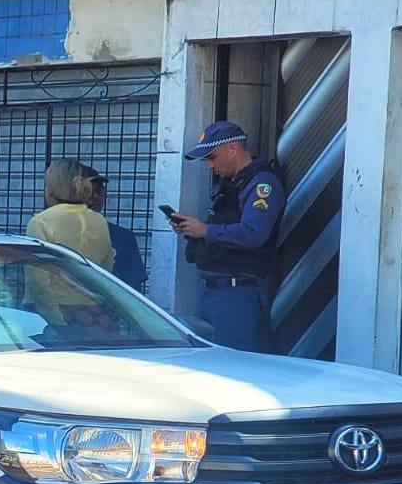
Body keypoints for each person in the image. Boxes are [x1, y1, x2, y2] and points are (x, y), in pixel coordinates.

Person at [167, 120, 286, 352]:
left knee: (232, 364)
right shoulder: (232, 185)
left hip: (237, 294)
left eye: (212, 157)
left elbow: (253, 233)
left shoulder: (263, 184)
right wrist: (193, 230)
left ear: (233, 149)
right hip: (216, 291)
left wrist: (206, 231)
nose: (210, 166)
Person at [25, 159, 113, 270]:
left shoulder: (41, 222)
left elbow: (36, 272)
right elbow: (107, 269)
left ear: (50, 190)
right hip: (91, 287)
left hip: (55, 287)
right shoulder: (99, 220)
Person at [87, 170, 147, 292]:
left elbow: (133, 290)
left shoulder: (123, 237)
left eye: (99, 191)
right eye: (88, 191)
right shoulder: (55, 232)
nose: (95, 196)